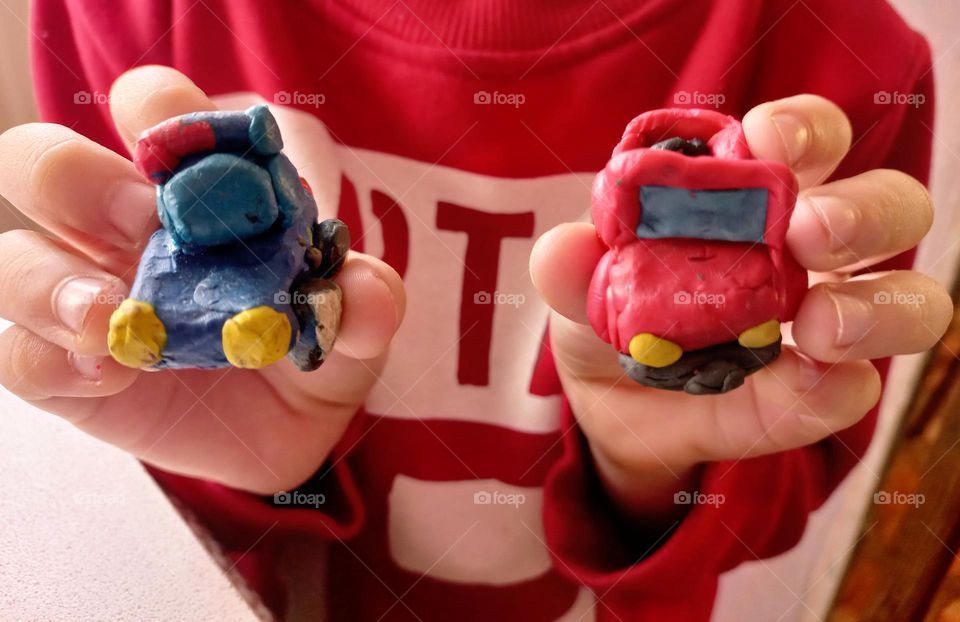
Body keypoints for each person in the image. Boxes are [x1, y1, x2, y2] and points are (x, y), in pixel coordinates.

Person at [0, 0, 951, 619]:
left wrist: (652, 467)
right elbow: (131, 398)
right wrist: (218, 449)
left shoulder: (841, 57)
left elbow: (786, 480)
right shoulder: (124, 18)